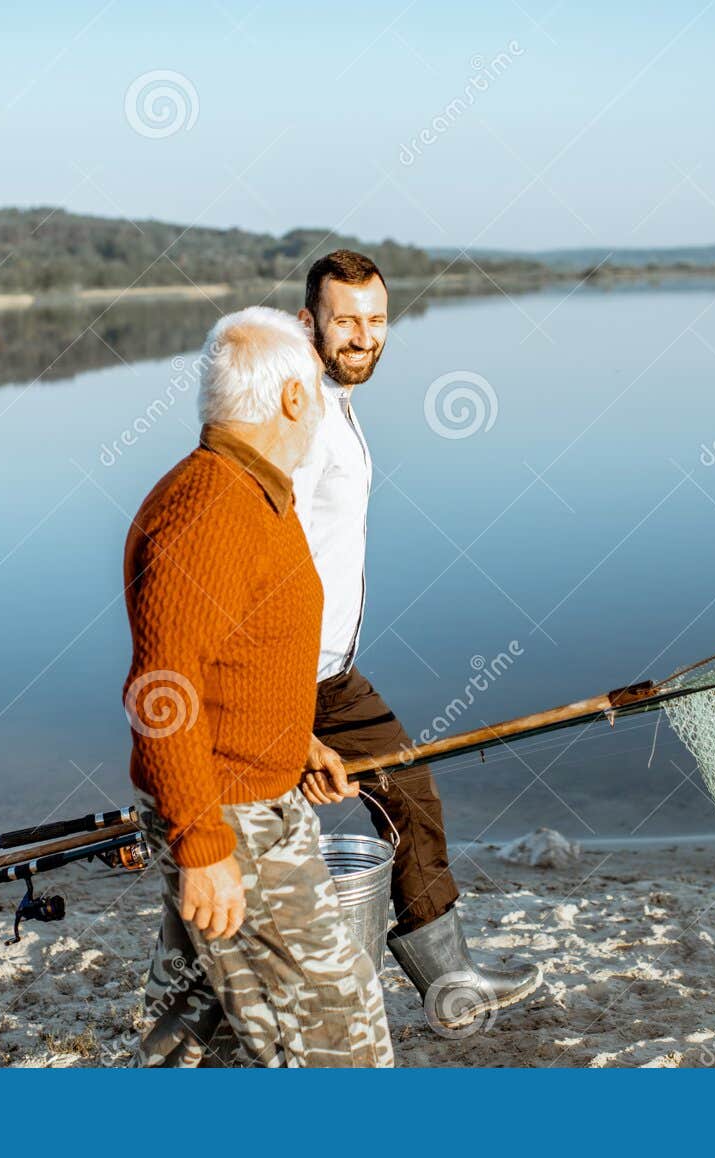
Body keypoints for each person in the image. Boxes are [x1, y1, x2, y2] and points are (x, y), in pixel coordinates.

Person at [123, 305, 392, 1067]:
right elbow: (161, 691)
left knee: (194, 1026)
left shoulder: (253, 491)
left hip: (240, 796)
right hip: (233, 820)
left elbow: (231, 663)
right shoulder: (211, 510)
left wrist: (292, 739)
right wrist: (204, 848)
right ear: (293, 399)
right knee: (342, 1039)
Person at [292, 251, 541, 1033]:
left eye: (374, 320)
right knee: (246, 843)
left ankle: (449, 977)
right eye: (345, 321)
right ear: (309, 323)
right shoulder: (295, 417)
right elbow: (255, 571)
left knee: (408, 789)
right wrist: (290, 729)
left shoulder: (335, 399)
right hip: (285, 678)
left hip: (331, 673)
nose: (363, 337)